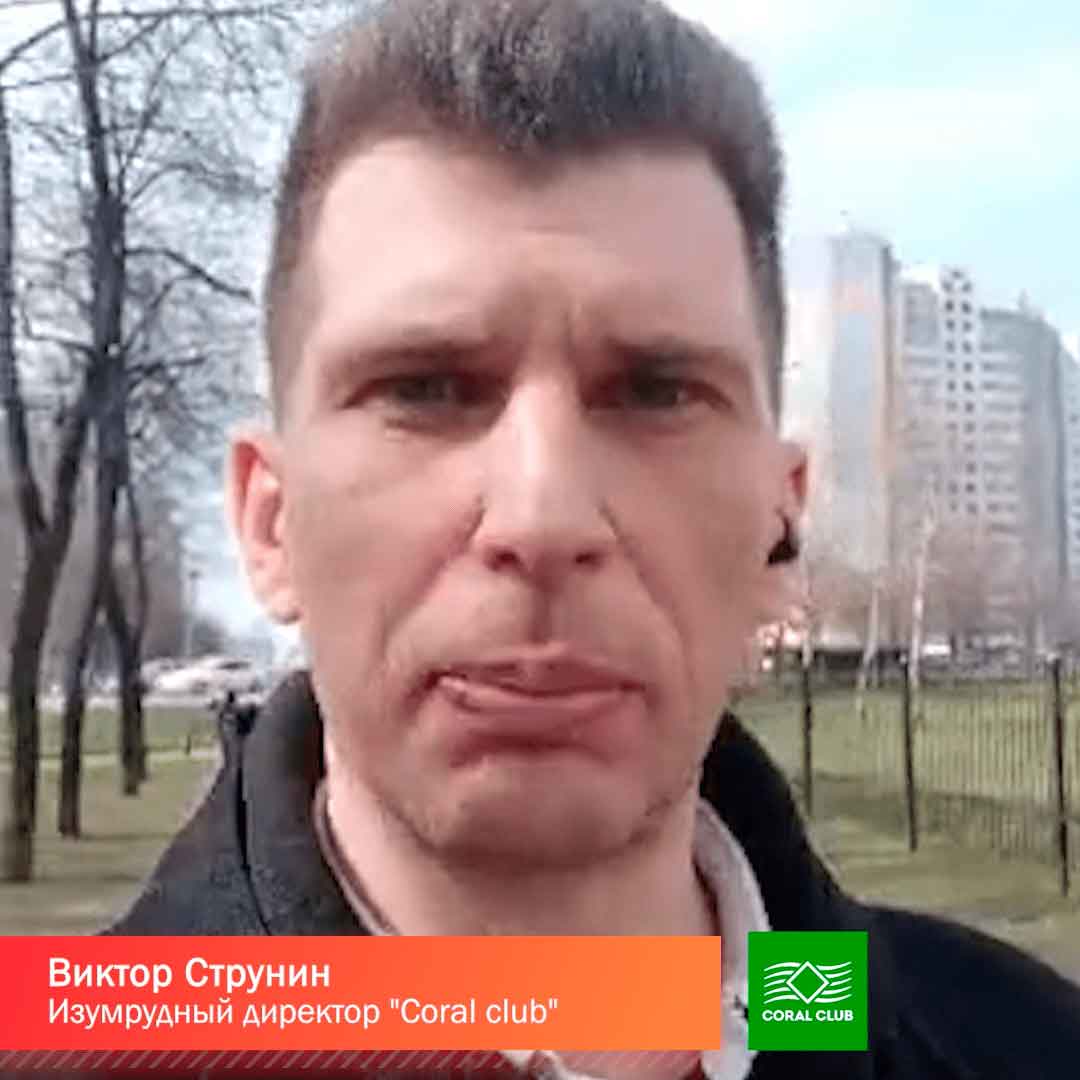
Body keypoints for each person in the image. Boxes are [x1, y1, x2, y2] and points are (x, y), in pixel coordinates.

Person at [108, 0, 1080, 1075]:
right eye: (426, 387)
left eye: (656, 392)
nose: (543, 515)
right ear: (270, 523)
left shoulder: (1026, 1044)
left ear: (780, 523)